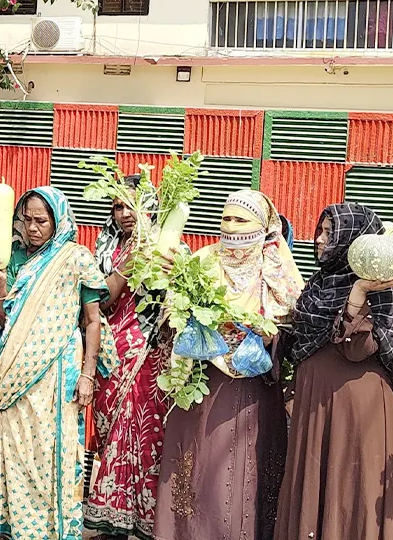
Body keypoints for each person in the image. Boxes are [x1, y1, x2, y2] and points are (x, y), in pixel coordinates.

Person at [154, 190, 302, 540]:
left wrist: (267, 337)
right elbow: (170, 320)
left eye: (241, 220)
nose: (232, 227)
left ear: (264, 227)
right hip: (204, 385)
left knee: (244, 472)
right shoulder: (203, 262)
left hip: (254, 389)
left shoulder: (277, 270)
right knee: (200, 469)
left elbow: (295, 326)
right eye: (226, 219)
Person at [0, 186, 119, 540]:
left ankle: (49, 528)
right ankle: (15, 525)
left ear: (58, 221)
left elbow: (91, 321)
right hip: (15, 368)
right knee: (14, 447)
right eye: (26, 220)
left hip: (57, 370)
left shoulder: (75, 258)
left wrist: (87, 375)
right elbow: (3, 318)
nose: (32, 228)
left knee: (49, 450)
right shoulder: (11, 256)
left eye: (41, 221)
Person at [275, 202, 393, 540]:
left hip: (356, 404)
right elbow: (298, 338)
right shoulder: (320, 283)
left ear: (355, 241)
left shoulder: (380, 291)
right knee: (317, 485)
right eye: (321, 231)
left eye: (329, 233)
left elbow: (357, 349)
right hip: (316, 399)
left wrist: (359, 293)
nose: (319, 240)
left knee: (352, 485)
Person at [85, 178, 167, 540]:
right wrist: (124, 268)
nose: (125, 214)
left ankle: (147, 520)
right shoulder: (105, 248)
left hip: (149, 351)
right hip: (108, 350)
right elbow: (98, 303)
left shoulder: (168, 247)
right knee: (110, 432)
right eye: (117, 207)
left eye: (133, 205)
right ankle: (110, 518)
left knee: (145, 433)